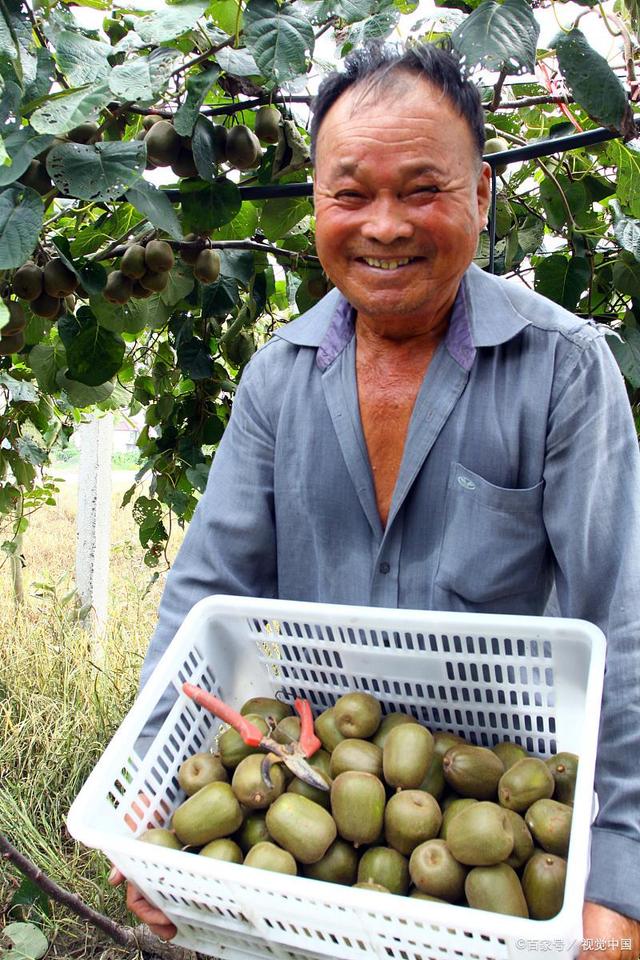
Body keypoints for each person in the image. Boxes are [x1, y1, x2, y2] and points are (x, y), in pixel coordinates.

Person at [111, 43, 640, 958]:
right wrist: (149, 815)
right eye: (350, 194)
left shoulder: (564, 370)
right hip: (314, 831)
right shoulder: (277, 381)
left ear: (480, 197)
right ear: (317, 203)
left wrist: (622, 874)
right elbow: (204, 598)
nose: (384, 226)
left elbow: (624, 618)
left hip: (496, 845)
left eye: (422, 188)